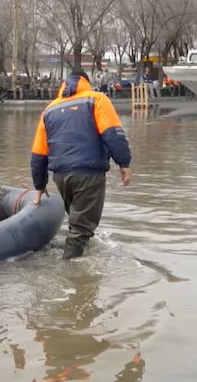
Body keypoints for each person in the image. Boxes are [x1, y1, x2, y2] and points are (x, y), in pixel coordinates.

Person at [30, 70, 132, 260]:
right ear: (86, 81)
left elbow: (38, 153)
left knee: (77, 222)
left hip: (61, 177)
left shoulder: (49, 110)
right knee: (80, 228)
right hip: (88, 173)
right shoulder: (96, 99)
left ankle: (76, 254)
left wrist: (39, 186)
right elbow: (112, 133)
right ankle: (71, 273)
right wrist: (123, 162)